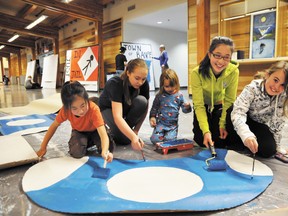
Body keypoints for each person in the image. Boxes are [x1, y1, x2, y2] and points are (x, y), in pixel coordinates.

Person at [37, 81, 114, 162]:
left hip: (96, 131)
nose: (81, 111)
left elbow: (103, 134)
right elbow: (54, 126)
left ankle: (93, 142)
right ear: (68, 107)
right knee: (76, 152)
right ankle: (86, 142)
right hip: (79, 132)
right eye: (74, 108)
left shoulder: (93, 109)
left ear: (87, 100)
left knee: (108, 148)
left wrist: (105, 151)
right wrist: (43, 147)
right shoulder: (65, 110)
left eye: (83, 105)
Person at [226, 61, 288, 158]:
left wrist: (277, 146)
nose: (276, 87)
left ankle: (247, 142)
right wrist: (246, 135)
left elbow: (278, 123)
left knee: (269, 150)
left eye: (282, 85)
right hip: (242, 118)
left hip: (258, 124)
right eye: (275, 80)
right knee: (231, 111)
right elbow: (238, 113)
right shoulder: (252, 88)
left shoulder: (283, 96)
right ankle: (239, 140)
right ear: (268, 75)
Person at [191, 36, 239, 149]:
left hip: (219, 106)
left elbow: (229, 101)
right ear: (209, 55)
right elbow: (198, 105)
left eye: (226, 57)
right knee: (200, 139)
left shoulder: (233, 72)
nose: (221, 61)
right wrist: (205, 131)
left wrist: (223, 124)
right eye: (217, 55)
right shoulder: (196, 73)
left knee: (220, 141)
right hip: (203, 105)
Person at [98, 58, 149, 151]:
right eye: (137, 78)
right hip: (108, 109)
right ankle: (105, 131)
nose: (140, 82)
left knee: (142, 101)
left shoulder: (144, 84)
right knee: (125, 140)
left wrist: (136, 131)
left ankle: (123, 132)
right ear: (128, 73)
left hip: (125, 107)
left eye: (143, 79)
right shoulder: (115, 83)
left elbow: (145, 109)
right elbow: (117, 116)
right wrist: (133, 137)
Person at [149, 69, 192, 143]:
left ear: (177, 83)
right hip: (160, 123)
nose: (170, 89)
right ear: (162, 85)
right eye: (167, 86)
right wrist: (152, 117)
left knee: (170, 140)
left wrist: (187, 107)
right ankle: (160, 134)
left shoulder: (179, 96)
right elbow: (154, 108)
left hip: (172, 126)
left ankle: (169, 135)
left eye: (172, 86)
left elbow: (185, 110)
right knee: (155, 140)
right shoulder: (159, 96)